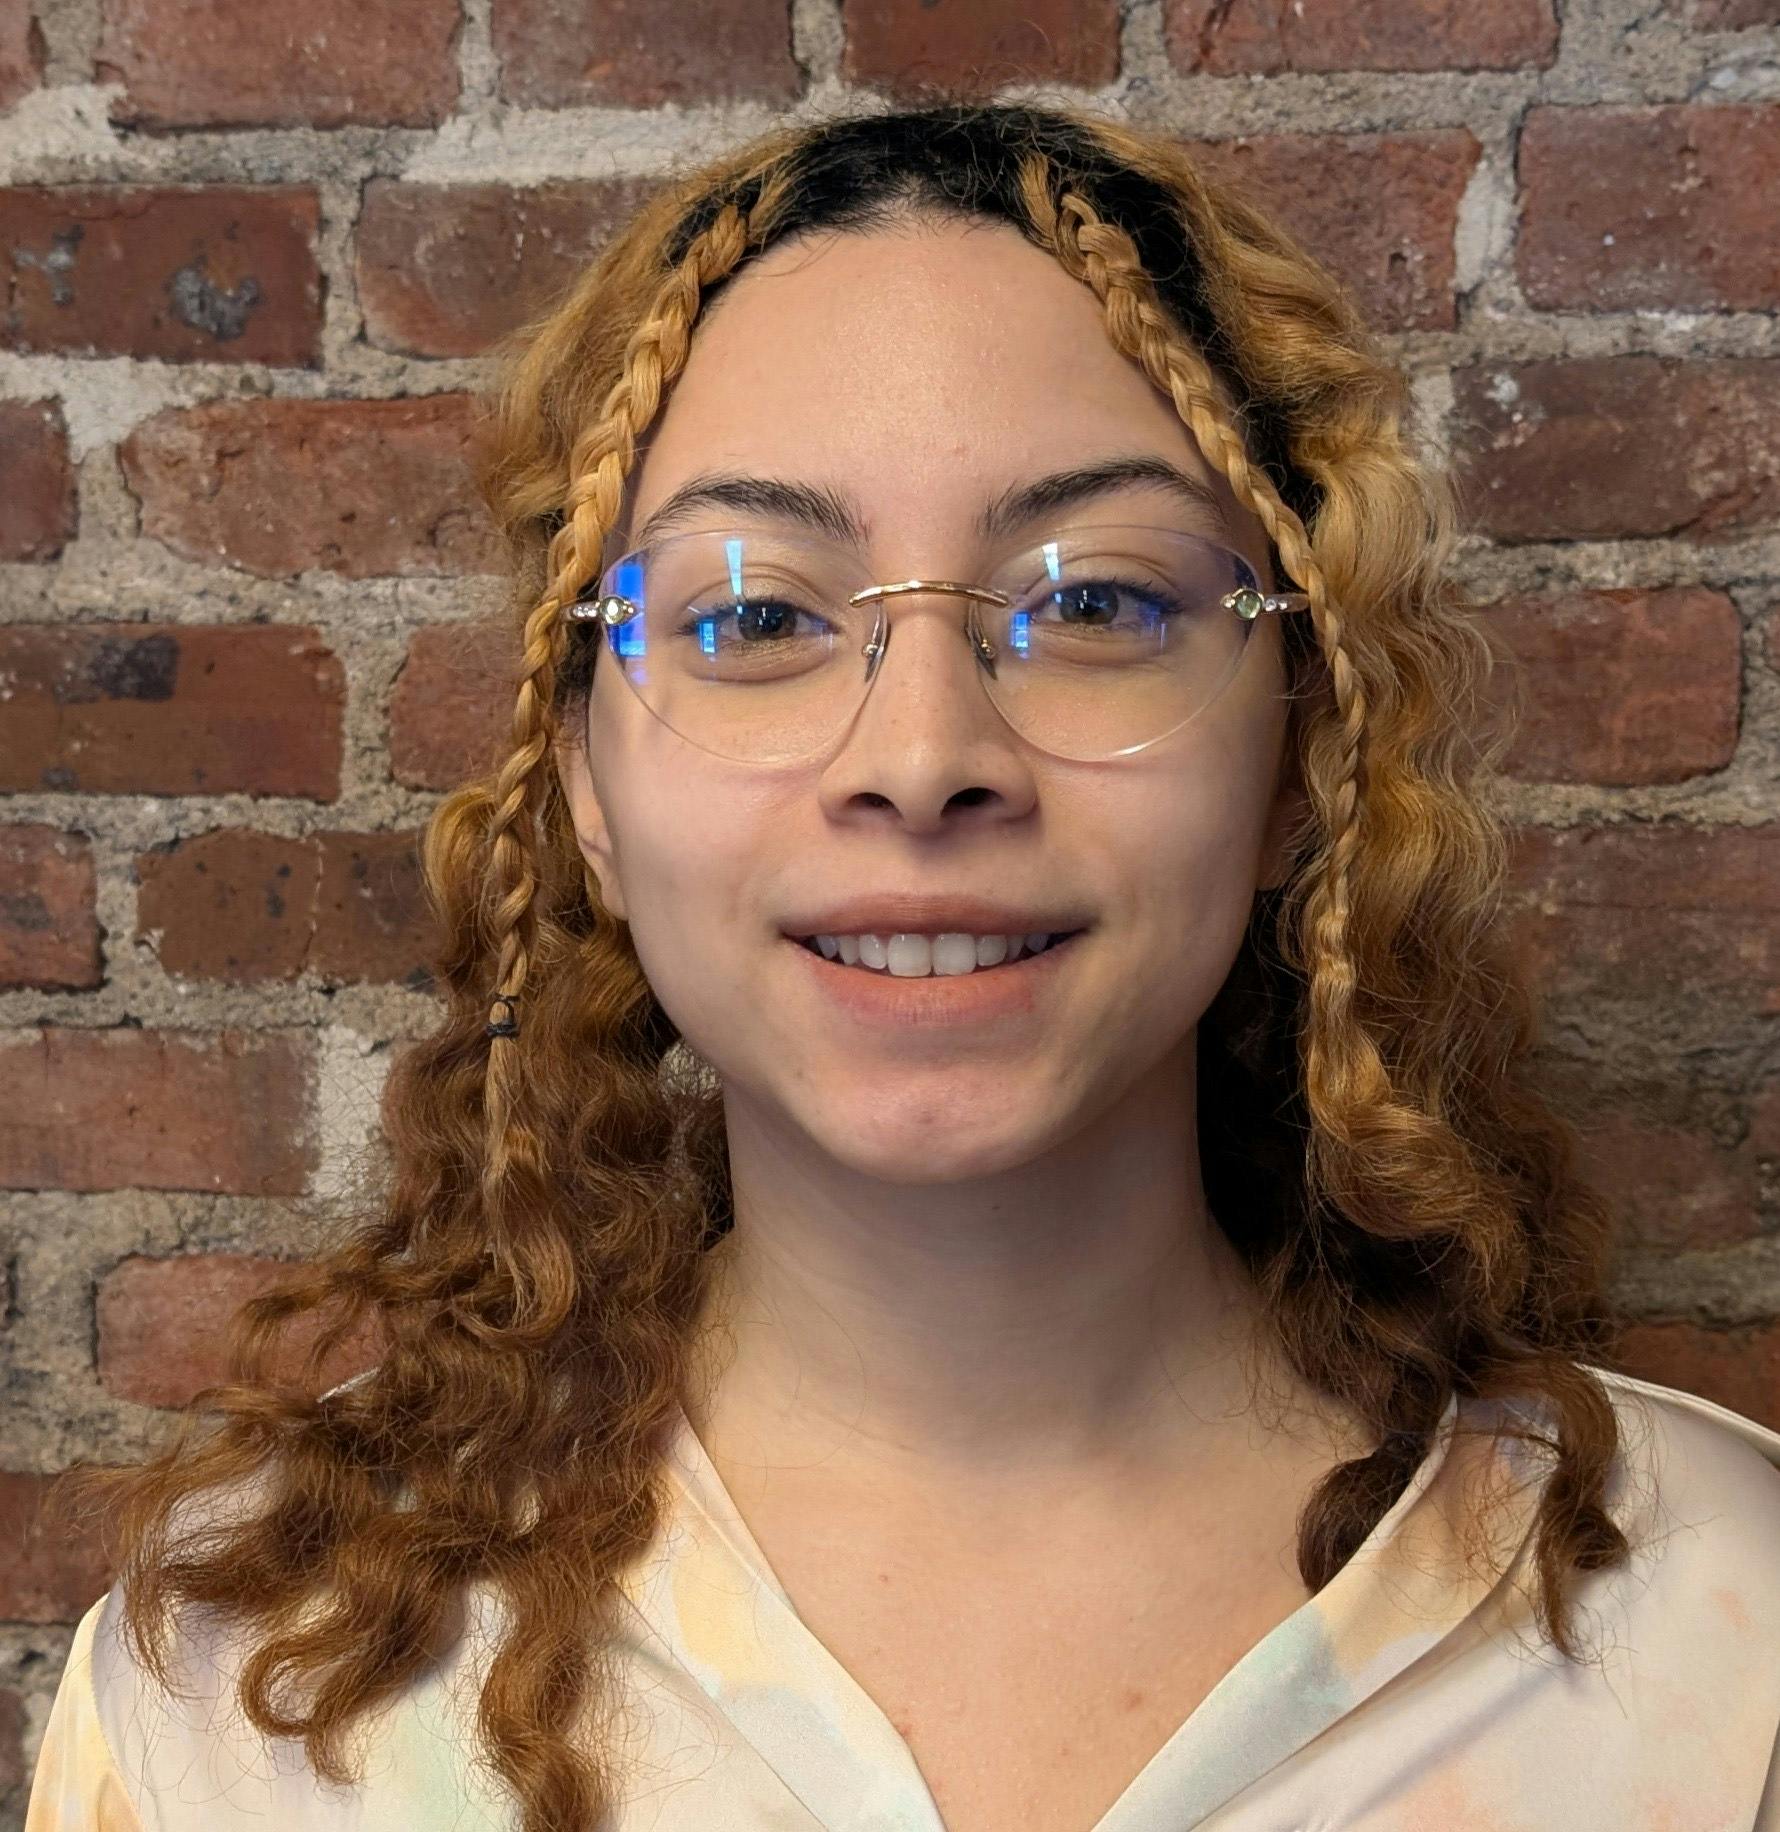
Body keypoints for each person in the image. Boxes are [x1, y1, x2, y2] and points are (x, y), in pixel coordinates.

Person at [26, 99, 1780, 1832]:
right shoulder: (247, 1692)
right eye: (755, 615)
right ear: (585, 784)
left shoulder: (1728, 1641)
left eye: (1097, 600)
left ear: (1299, 749)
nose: (923, 751)